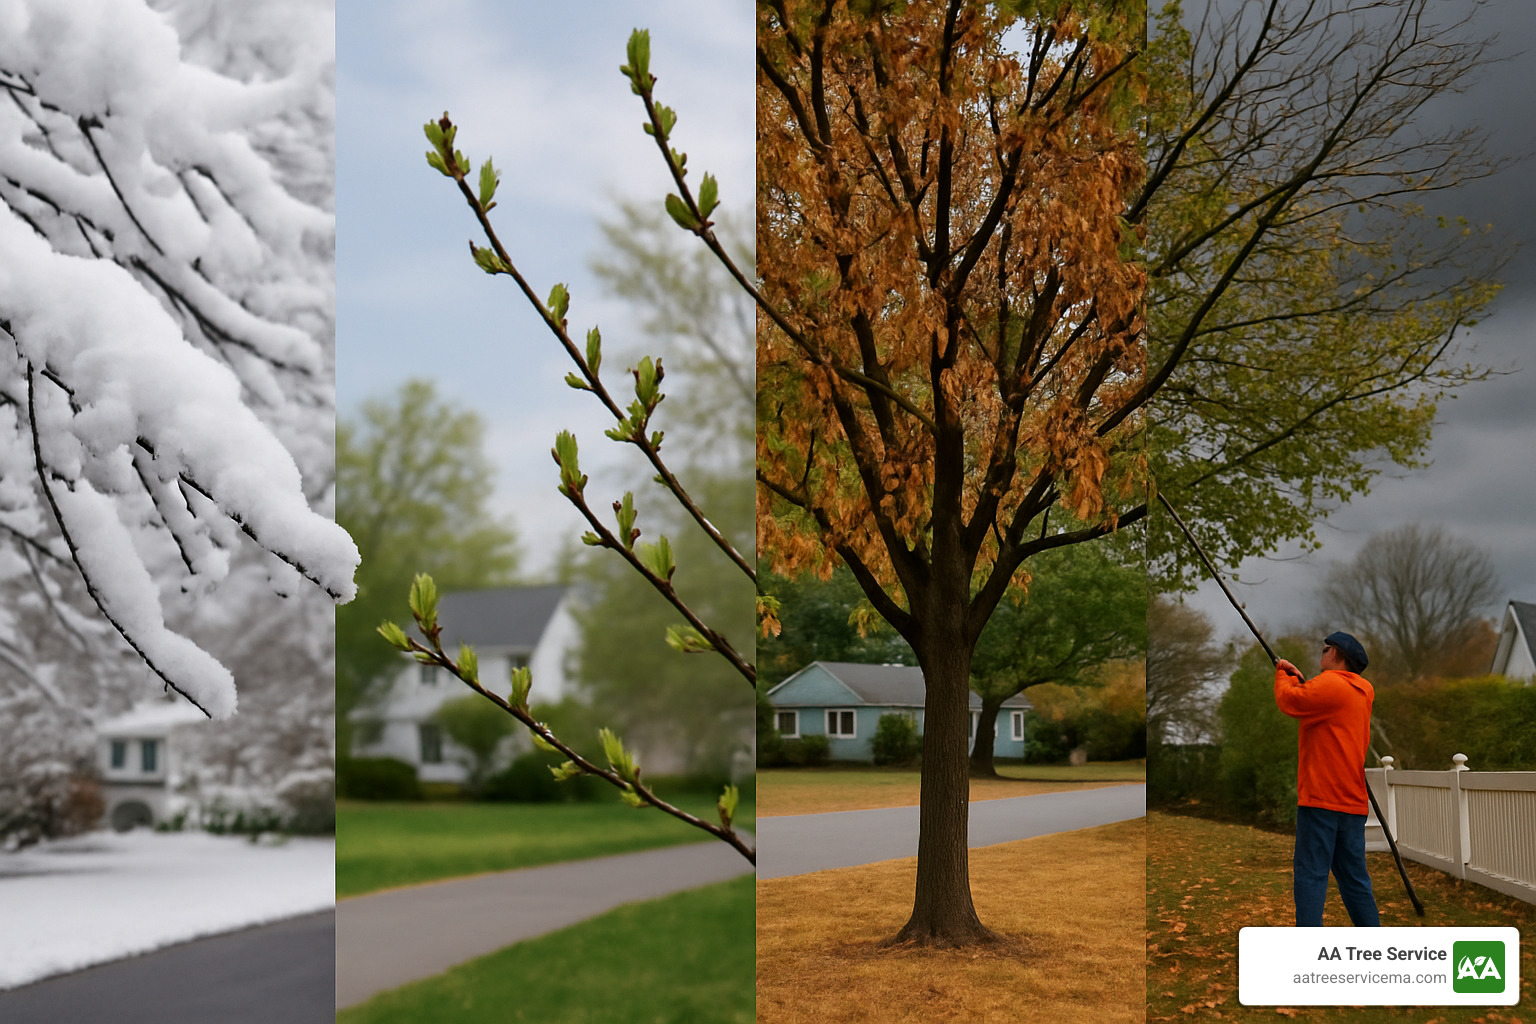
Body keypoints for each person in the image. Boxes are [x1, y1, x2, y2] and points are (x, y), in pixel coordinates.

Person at [1274, 631, 1381, 927]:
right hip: (1353, 802)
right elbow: (1317, 700)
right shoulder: (1363, 691)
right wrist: (1300, 678)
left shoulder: (1332, 682)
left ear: (1336, 654)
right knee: (1355, 880)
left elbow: (1291, 701)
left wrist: (1284, 674)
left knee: (1311, 875)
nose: (1321, 655)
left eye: (1324, 649)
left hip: (1321, 798)